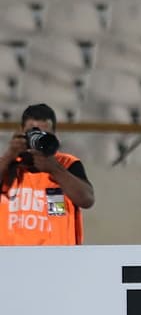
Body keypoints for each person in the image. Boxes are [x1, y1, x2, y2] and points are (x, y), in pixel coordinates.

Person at [0, 103, 94, 246]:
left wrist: (55, 169)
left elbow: (86, 200)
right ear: (21, 132)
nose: (37, 140)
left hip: (57, 256)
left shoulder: (66, 164)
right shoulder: (8, 165)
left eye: (44, 135)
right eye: (32, 133)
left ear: (55, 136)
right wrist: (9, 156)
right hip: (11, 256)